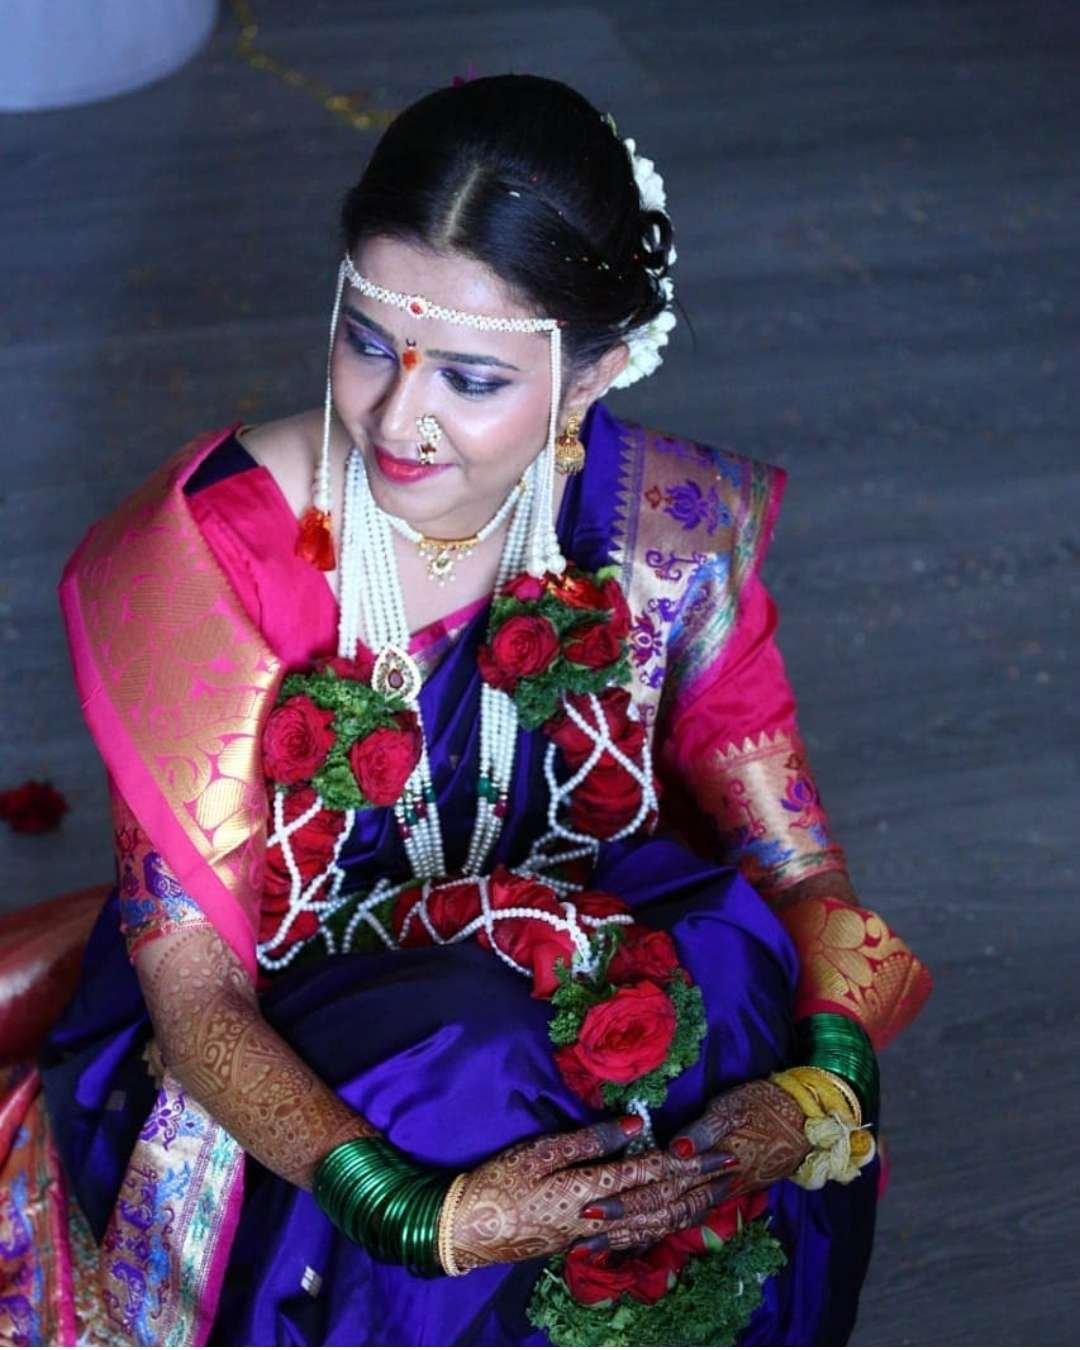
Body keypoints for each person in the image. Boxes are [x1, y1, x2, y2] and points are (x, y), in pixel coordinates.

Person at [0, 74, 931, 1347]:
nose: (398, 419)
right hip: (296, 1029)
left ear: (592, 376)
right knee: (467, 1063)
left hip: (565, 951)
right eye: (368, 343)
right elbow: (197, 997)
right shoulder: (210, 553)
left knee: (730, 975)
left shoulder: (668, 532)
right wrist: (418, 1214)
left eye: (473, 379)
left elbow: (799, 868)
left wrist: (818, 1091)